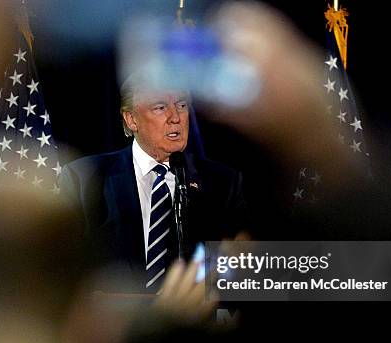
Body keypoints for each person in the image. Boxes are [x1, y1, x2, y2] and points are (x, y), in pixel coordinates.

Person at [59, 73, 250, 291]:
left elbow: (241, 271)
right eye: (160, 108)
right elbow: (61, 266)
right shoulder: (84, 179)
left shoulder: (223, 182)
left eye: (182, 105)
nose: (175, 117)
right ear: (131, 119)